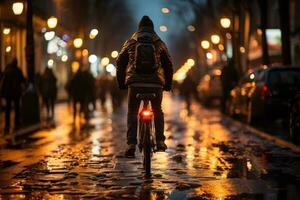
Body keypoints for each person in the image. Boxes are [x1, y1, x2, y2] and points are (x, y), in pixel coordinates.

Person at [116, 16, 173, 157]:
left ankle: (131, 144)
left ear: (138, 28)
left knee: (132, 112)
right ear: (152, 28)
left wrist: (122, 83)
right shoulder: (159, 43)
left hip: (135, 84)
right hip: (155, 84)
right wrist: (167, 85)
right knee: (157, 110)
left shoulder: (131, 42)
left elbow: (120, 63)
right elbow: (169, 65)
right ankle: (160, 141)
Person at [0, 58, 25, 133]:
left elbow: (3, 80)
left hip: (8, 93)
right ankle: (16, 122)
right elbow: (23, 80)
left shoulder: (7, 70)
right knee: (16, 107)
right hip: (16, 92)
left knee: (8, 108)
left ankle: (7, 124)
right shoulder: (18, 71)